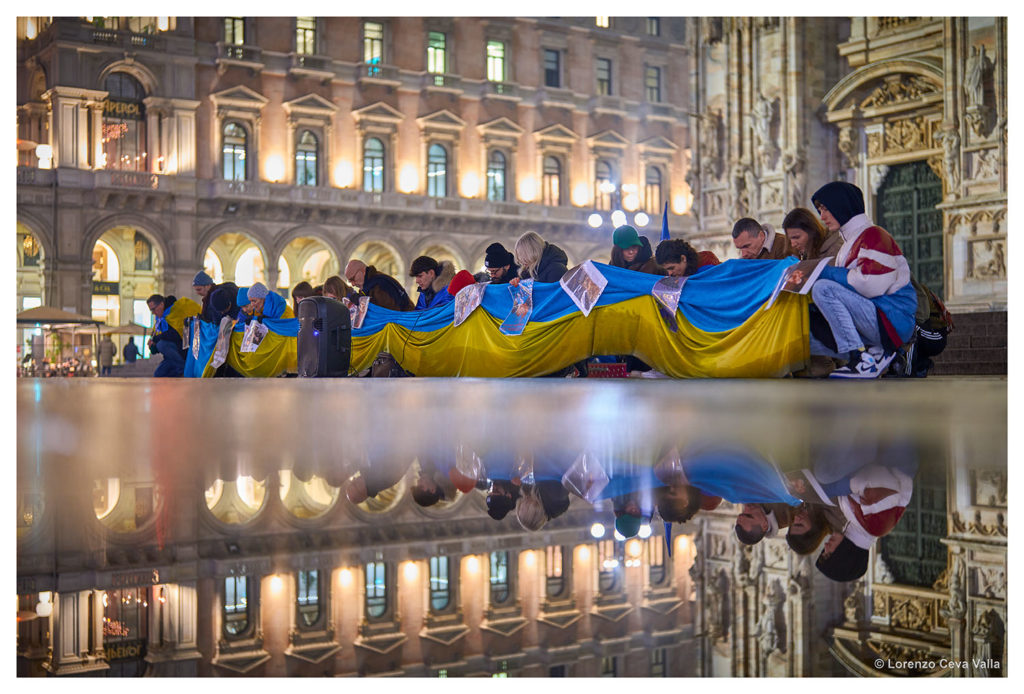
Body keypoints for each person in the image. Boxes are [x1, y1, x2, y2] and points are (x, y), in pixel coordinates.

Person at [809, 181, 918, 378]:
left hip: (893, 317)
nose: (822, 216)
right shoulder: (848, 244)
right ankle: (875, 353)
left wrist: (821, 272)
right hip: (875, 315)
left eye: (826, 208)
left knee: (823, 288)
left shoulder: (874, 235)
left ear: (842, 205)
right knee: (807, 322)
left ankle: (859, 359)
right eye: (819, 210)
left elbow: (871, 284)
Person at [147, 293, 200, 377]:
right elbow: (157, 345)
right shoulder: (160, 321)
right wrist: (153, 346)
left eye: (154, 309)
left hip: (183, 353)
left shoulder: (176, 311)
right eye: (151, 310)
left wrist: (157, 339)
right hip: (170, 358)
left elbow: (177, 334)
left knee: (161, 344)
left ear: (161, 304)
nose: (153, 313)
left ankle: (183, 368)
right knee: (158, 375)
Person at [344, 259, 414, 311]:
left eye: (353, 279)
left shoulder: (379, 284)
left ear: (363, 271)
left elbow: (386, 311)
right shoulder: (373, 281)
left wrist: (361, 301)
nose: (353, 284)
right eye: (350, 281)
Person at [654, 239, 721, 277]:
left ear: (683, 259)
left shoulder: (708, 265)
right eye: (666, 270)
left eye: (672, 268)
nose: (669, 273)